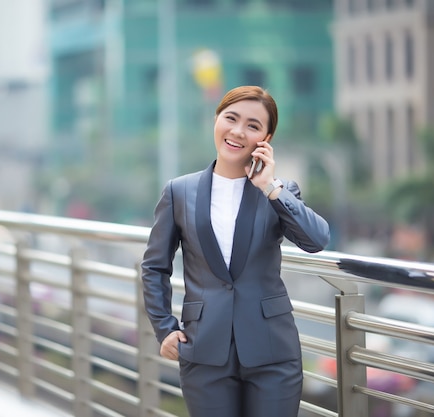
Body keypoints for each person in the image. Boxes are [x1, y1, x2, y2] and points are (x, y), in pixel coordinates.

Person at [141, 85, 330, 417]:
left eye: (253, 125)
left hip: (272, 352)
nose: (238, 131)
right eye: (231, 118)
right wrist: (164, 327)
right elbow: (155, 267)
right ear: (216, 120)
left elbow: (316, 240)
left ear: (266, 138)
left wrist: (269, 186)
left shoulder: (279, 191)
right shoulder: (179, 192)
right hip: (203, 352)